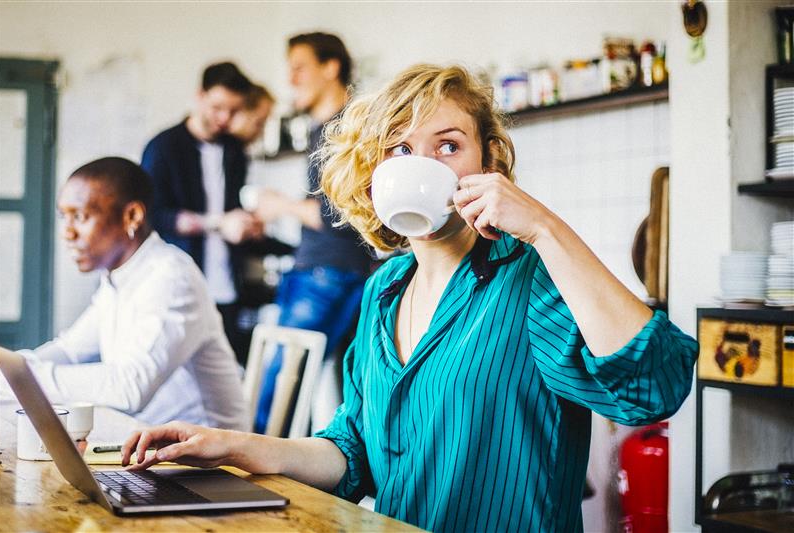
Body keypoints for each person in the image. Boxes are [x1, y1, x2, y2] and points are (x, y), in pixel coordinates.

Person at [120, 65, 698, 532]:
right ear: (373, 175)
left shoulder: (531, 277)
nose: (421, 165)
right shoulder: (384, 290)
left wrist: (544, 226)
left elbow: (653, 389)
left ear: (488, 163)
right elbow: (354, 453)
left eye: (447, 146)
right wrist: (230, 446)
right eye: (400, 150)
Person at [0, 157, 247, 430]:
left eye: (79, 216)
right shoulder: (119, 277)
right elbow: (70, 350)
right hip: (146, 440)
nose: (67, 233)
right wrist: (10, 369)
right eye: (63, 217)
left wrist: (18, 378)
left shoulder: (171, 277)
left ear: (132, 216)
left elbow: (130, 387)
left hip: (210, 460)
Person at [249, 32, 374, 434]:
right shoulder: (330, 129)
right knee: (323, 389)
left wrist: (278, 206)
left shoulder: (344, 129)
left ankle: (255, 488)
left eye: (300, 68)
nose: (291, 79)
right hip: (330, 271)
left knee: (276, 400)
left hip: (328, 273)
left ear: (331, 67)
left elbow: (338, 214)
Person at [141, 62, 288, 366]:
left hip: (227, 291)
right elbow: (153, 216)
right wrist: (220, 223)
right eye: (217, 107)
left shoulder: (234, 152)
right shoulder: (163, 147)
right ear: (200, 96)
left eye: (233, 111)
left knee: (225, 381)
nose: (224, 118)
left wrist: (249, 226)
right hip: (177, 289)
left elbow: (233, 211)